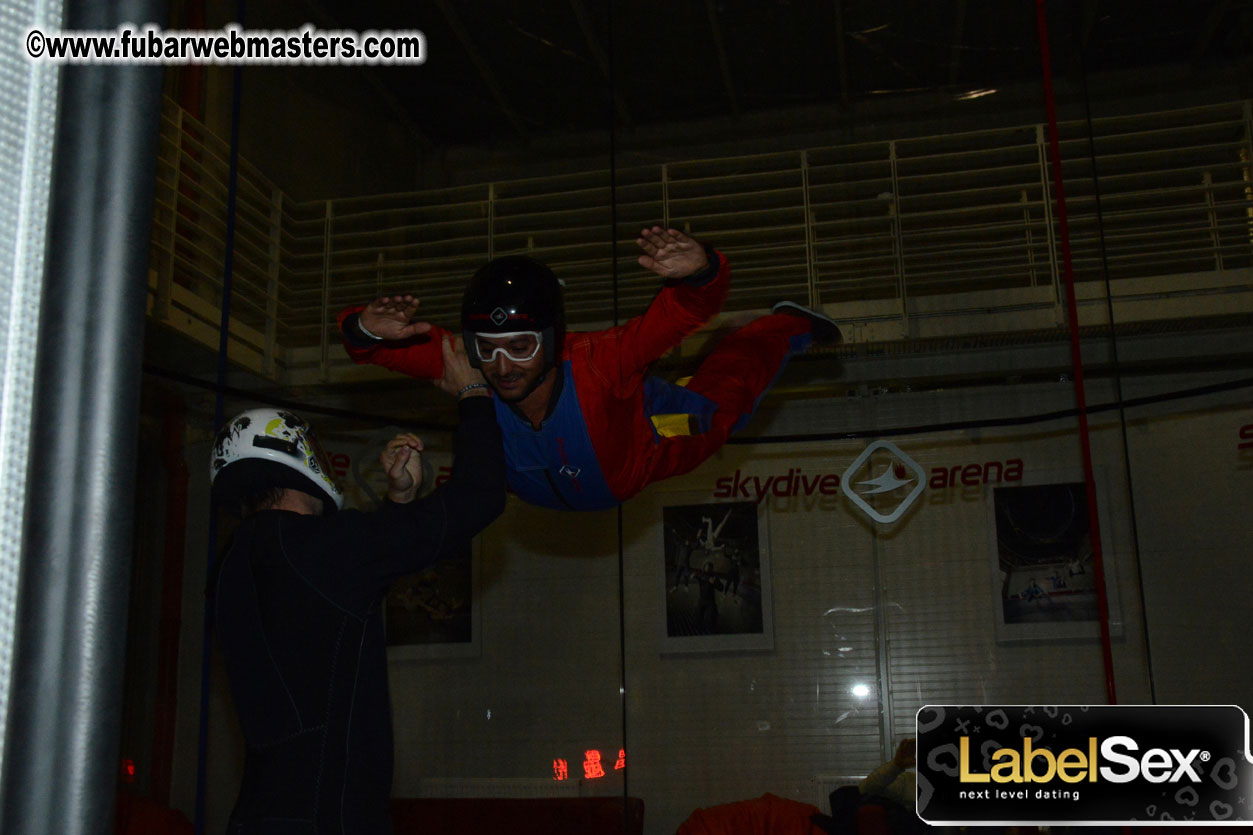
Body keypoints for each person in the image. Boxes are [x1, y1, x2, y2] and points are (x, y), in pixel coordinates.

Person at [208, 336, 505, 834]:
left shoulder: (236, 563)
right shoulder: (313, 548)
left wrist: (399, 501)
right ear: (298, 456)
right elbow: (480, 496)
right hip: (328, 818)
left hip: (260, 815)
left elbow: (331, 623)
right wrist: (474, 394)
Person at [337, 227, 842, 511]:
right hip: (546, 482)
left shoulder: (601, 360)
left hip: (642, 445)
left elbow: (679, 316)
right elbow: (383, 349)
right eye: (487, 349)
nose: (502, 366)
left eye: (520, 346)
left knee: (720, 407)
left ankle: (783, 326)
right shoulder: (468, 364)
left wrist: (702, 272)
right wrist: (365, 328)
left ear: (552, 339)